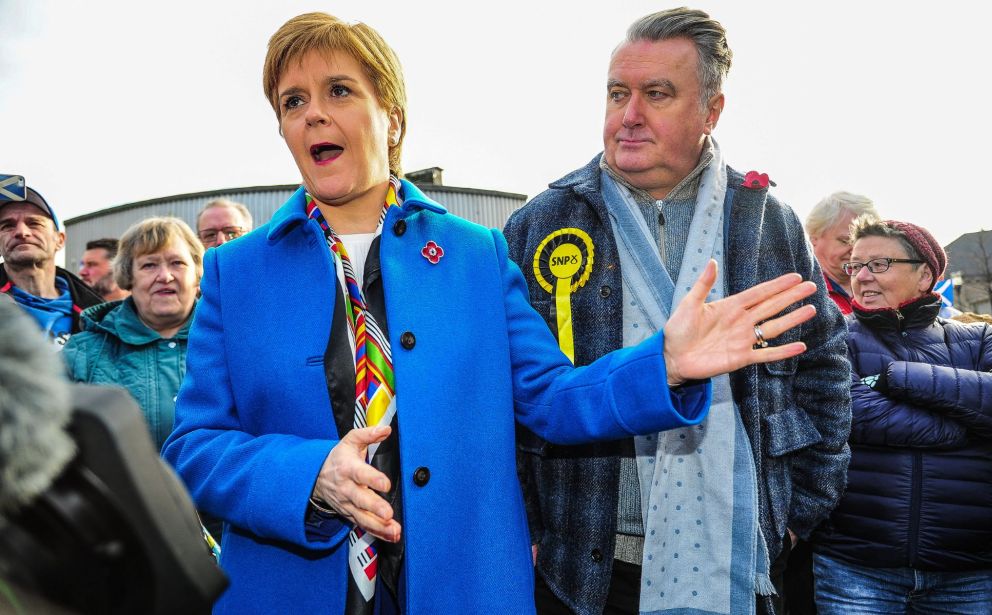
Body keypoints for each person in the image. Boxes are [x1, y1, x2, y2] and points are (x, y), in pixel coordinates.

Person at [160, 12, 819, 615]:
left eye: (339, 91)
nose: (313, 116)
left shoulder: (476, 253)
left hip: (460, 591)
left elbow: (553, 398)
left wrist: (664, 365)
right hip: (287, 593)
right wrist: (309, 475)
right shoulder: (233, 272)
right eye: (292, 102)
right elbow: (193, 448)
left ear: (391, 116)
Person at [503, 7, 851, 615]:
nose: (628, 115)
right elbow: (506, 394)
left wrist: (797, 516)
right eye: (618, 93)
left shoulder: (767, 222)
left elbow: (825, 370)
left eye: (656, 94)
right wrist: (528, 527)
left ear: (711, 110)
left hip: (740, 556)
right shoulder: (542, 224)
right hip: (584, 561)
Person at [812, 217, 992, 614]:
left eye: (879, 264)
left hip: (966, 573)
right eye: (855, 266)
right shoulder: (833, 338)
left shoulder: (979, 338)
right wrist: (972, 424)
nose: (862, 277)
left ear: (925, 274)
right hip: (857, 568)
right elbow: (850, 413)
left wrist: (898, 377)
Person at [64, 217, 202, 449]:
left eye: (177, 263)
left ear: (197, 273)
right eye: (149, 265)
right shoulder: (82, 353)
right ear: (128, 276)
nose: (165, 276)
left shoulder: (230, 343)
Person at [0, 186, 102, 346]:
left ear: (60, 240)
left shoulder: (100, 317)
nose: (21, 232)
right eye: (7, 226)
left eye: (34, 223)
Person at [805, 192, 879, 314]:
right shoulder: (801, 290)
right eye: (846, 240)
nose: (856, 251)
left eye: (863, 242)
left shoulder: (882, 288)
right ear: (814, 237)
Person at [78, 237, 131, 302]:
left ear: (119, 268)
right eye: (82, 265)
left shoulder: (142, 309)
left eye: (91, 264)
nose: (82, 272)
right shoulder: (75, 307)